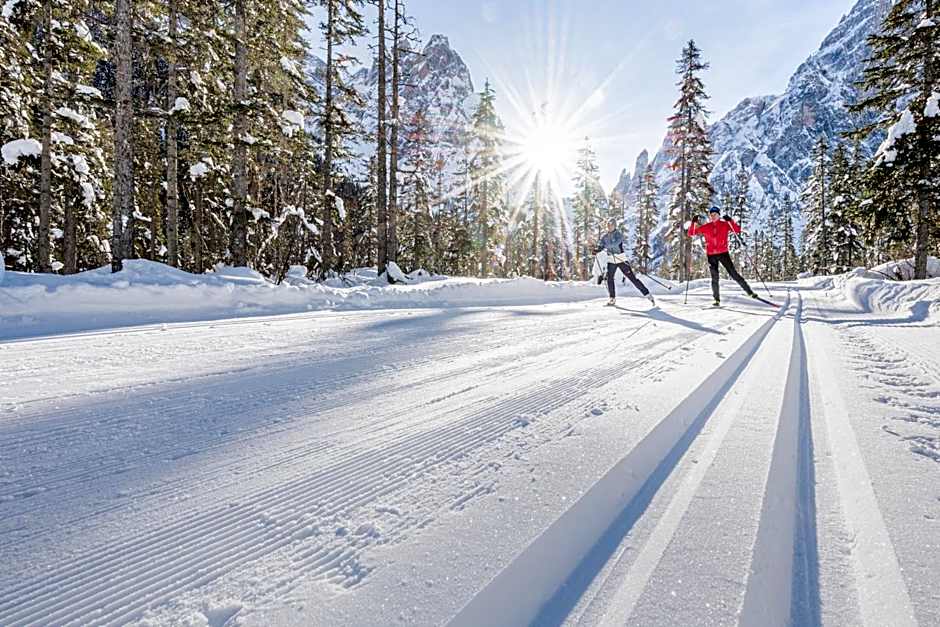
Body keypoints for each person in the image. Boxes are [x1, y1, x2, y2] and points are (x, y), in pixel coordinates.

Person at [687, 207, 757, 306]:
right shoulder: (707, 227)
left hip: (723, 253)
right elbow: (691, 233)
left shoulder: (724, 225)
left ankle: (750, 292)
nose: (713, 216)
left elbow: (737, 230)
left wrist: (730, 221)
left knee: (733, 274)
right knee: (714, 277)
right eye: (711, 215)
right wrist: (693, 223)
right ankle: (716, 300)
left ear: (719, 215)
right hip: (711, 255)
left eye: (715, 214)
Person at [595, 218, 655, 307]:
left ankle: (648, 295)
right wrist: (597, 250)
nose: (609, 226)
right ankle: (612, 298)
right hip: (611, 260)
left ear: (614, 226)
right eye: (608, 225)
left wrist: (604, 247)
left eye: (611, 225)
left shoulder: (618, 234)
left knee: (632, 278)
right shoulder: (605, 236)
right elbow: (601, 244)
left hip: (621, 259)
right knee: (610, 278)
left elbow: (615, 244)